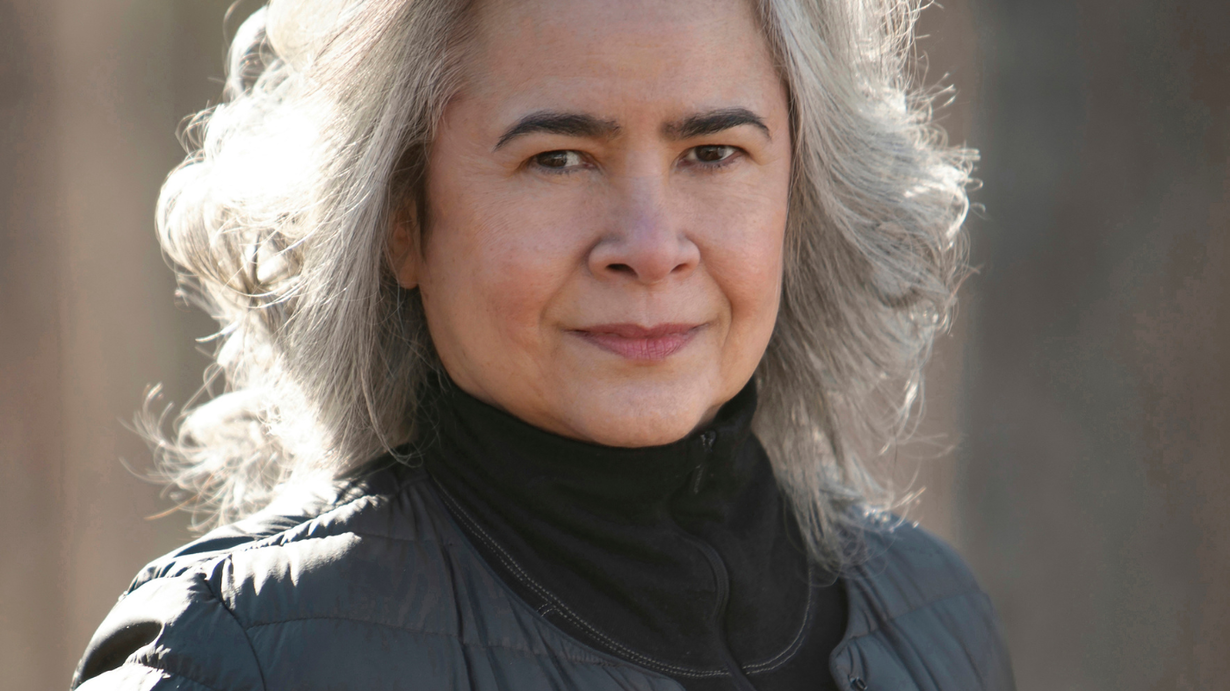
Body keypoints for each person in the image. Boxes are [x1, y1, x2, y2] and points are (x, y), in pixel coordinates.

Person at [72, 0, 1014, 689]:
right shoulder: (236, 658)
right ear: (401, 219)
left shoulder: (933, 625)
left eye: (712, 153)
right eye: (557, 159)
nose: (650, 247)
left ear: (798, 195)